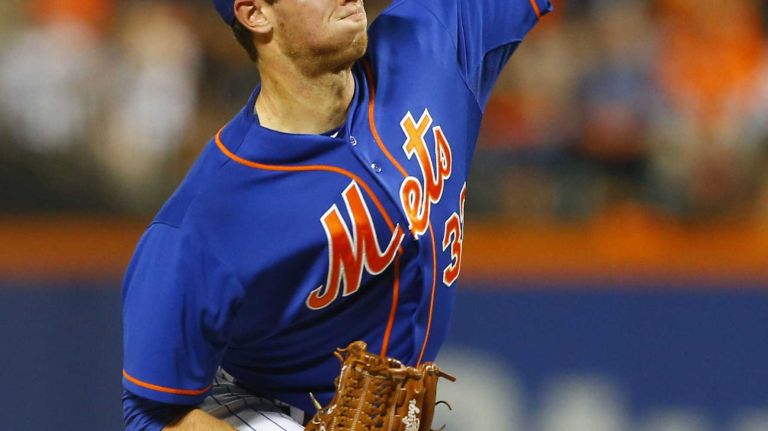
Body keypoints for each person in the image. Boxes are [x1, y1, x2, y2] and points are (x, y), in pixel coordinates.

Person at [121, 0, 551, 429]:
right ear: (255, 14)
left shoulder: (429, 39)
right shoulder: (203, 221)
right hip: (263, 411)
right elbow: (149, 414)